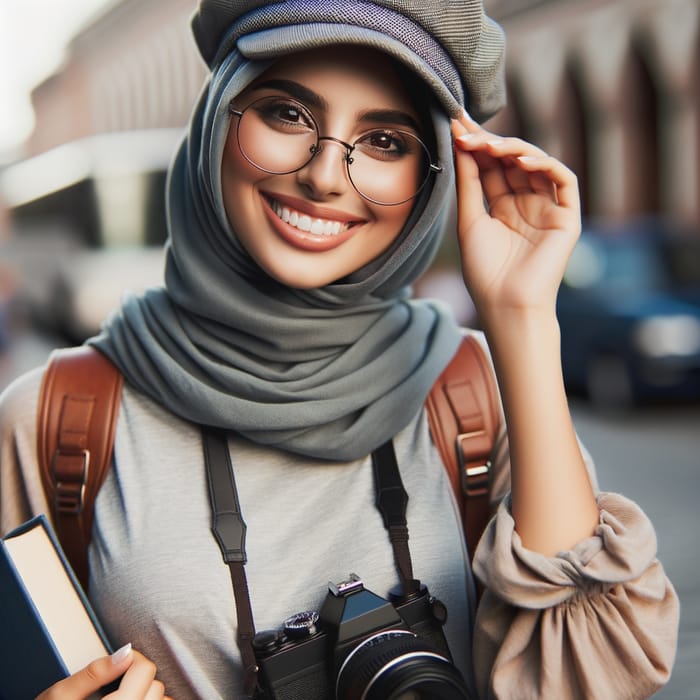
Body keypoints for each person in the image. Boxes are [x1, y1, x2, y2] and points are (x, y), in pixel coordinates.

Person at [0, 1, 679, 699]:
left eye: (386, 141)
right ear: (215, 122)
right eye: (287, 114)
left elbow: (591, 672)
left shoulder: (474, 394)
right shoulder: (60, 420)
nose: (325, 176)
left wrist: (525, 316)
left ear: (429, 181)